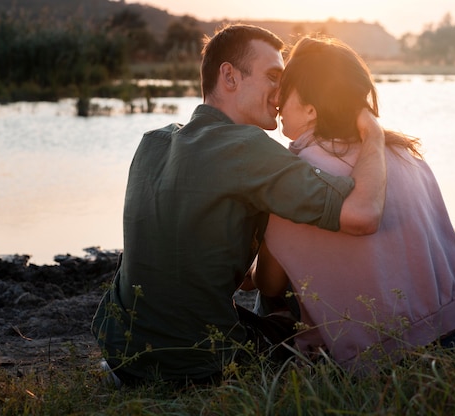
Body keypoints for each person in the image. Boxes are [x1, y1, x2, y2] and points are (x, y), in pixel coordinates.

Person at [91, 24, 387, 385]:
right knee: (293, 303)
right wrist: (373, 134)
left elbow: (192, 257)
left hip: (123, 351)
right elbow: (363, 213)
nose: (282, 91)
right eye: (273, 77)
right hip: (201, 363)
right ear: (229, 76)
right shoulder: (247, 147)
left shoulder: (152, 142)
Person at [251, 36, 455, 373]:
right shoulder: (403, 153)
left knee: (267, 291)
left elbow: (269, 284)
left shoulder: (297, 174)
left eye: (286, 93)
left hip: (382, 355)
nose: (278, 102)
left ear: (311, 108)